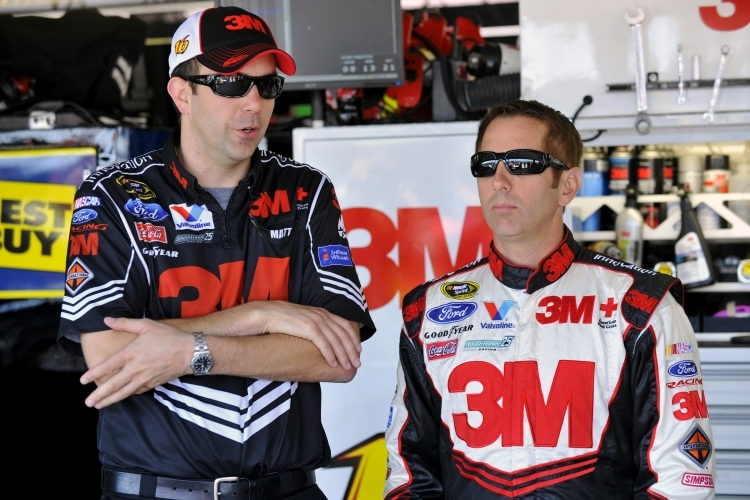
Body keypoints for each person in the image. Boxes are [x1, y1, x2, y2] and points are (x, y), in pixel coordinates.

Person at [57, 7, 375, 500]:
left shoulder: (304, 190)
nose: (253, 104)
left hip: (287, 490)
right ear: (182, 92)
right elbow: (112, 359)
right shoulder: (113, 194)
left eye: (266, 86)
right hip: (157, 492)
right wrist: (262, 315)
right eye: (230, 84)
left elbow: (337, 356)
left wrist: (188, 352)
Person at [384, 100, 715, 498]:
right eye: (486, 164)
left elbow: (681, 481)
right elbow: (409, 473)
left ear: (568, 185)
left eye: (523, 163)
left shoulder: (642, 308)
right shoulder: (428, 311)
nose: (500, 180)